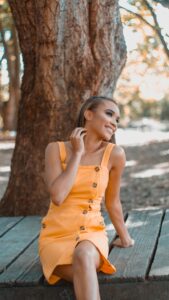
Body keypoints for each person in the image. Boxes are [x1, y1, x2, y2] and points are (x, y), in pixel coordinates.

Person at [38, 96, 134, 300]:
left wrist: (125, 238)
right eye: (109, 114)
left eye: (117, 119)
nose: (114, 123)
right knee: (84, 272)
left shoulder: (115, 154)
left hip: (91, 233)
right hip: (56, 236)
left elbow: (112, 201)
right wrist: (77, 154)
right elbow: (58, 196)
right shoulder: (55, 149)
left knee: (84, 255)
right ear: (88, 114)